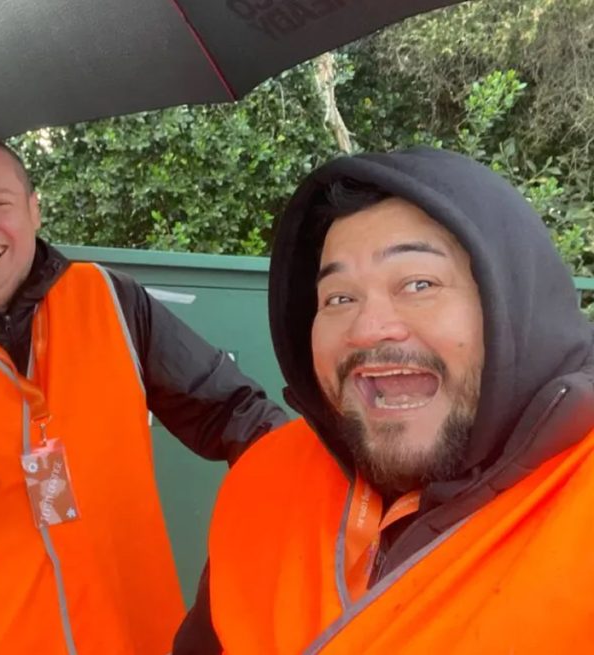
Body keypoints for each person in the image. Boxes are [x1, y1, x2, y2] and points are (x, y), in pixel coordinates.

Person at [0, 133, 288, 655]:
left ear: (34, 211)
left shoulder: (111, 301)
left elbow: (238, 415)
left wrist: (314, 498)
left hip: (131, 640)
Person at [174, 147, 594, 653]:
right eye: (339, 298)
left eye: (419, 284)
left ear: (514, 307)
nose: (368, 329)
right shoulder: (266, 482)